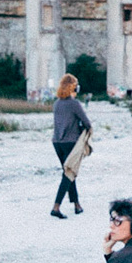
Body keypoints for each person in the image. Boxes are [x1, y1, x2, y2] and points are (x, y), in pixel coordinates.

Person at [49, 73, 91, 220]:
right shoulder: (74, 103)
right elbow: (87, 122)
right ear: (74, 87)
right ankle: (56, 206)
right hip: (71, 142)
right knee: (68, 173)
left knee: (69, 172)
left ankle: (76, 205)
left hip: (57, 142)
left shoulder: (57, 103)